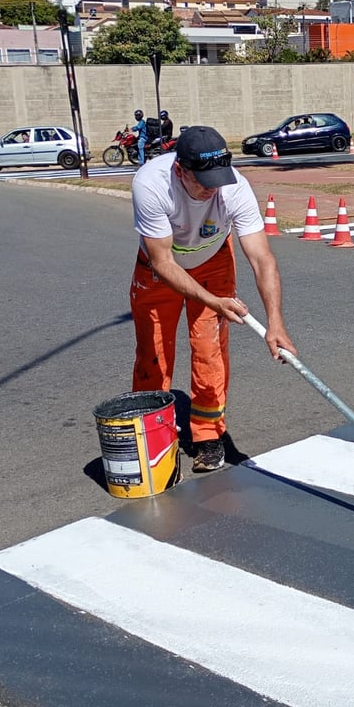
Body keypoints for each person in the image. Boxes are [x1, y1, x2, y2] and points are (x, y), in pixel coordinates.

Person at [129, 125, 297, 472]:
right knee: (153, 353)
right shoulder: (151, 184)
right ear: (181, 170)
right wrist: (213, 300)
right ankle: (155, 437)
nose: (212, 189)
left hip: (213, 261)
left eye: (217, 180)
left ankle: (208, 436)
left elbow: (262, 258)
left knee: (209, 352)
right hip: (161, 268)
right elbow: (163, 262)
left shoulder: (234, 187)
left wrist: (275, 324)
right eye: (203, 181)